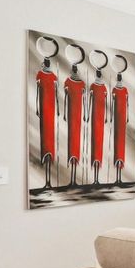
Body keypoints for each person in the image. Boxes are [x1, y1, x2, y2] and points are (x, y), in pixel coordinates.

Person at [34, 37, 59, 189]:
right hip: (45, 110)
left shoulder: (53, 77)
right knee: (45, 142)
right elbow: (38, 94)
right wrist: (38, 108)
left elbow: (56, 96)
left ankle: (49, 181)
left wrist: (58, 109)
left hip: (50, 111)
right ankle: (47, 180)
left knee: (50, 142)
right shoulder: (41, 75)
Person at [63, 44, 87, 186]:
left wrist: (85, 114)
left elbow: (84, 101)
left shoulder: (82, 84)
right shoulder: (68, 82)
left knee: (76, 142)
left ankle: (74, 178)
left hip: (78, 115)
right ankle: (72, 179)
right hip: (72, 115)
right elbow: (66, 99)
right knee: (72, 142)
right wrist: (64, 113)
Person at [88, 50, 109, 185]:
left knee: (99, 145)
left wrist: (106, 117)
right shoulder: (92, 86)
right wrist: (87, 114)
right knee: (95, 144)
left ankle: (97, 178)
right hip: (94, 118)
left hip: (100, 119)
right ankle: (95, 178)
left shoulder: (104, 88)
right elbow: (90, 102)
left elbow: (105, 104)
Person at [111, 55, 130, 184]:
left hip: (122, 120)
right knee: (117, 147)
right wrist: (112, 117)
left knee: (121, 148)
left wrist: (127, 117)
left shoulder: (125, 91)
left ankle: (119, 177)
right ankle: (117, 177)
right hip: (118, 120)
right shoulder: (114, 90)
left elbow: (127, 105)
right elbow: (113, 105)